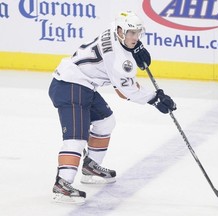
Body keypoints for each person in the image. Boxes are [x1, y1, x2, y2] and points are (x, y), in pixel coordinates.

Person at [48, 11, 176, 204]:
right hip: (70, 86)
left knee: (106, 121)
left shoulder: (113, 29)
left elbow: (122, 38)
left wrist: (134, 48)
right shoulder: (118, 60)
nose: (134, 37)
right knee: (76, 138)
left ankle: (91, 165)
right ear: (120, 31)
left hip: (82, 84)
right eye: (130, 33)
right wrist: (155, 99)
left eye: (137, 33)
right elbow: (126, 91)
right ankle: (62, 184)